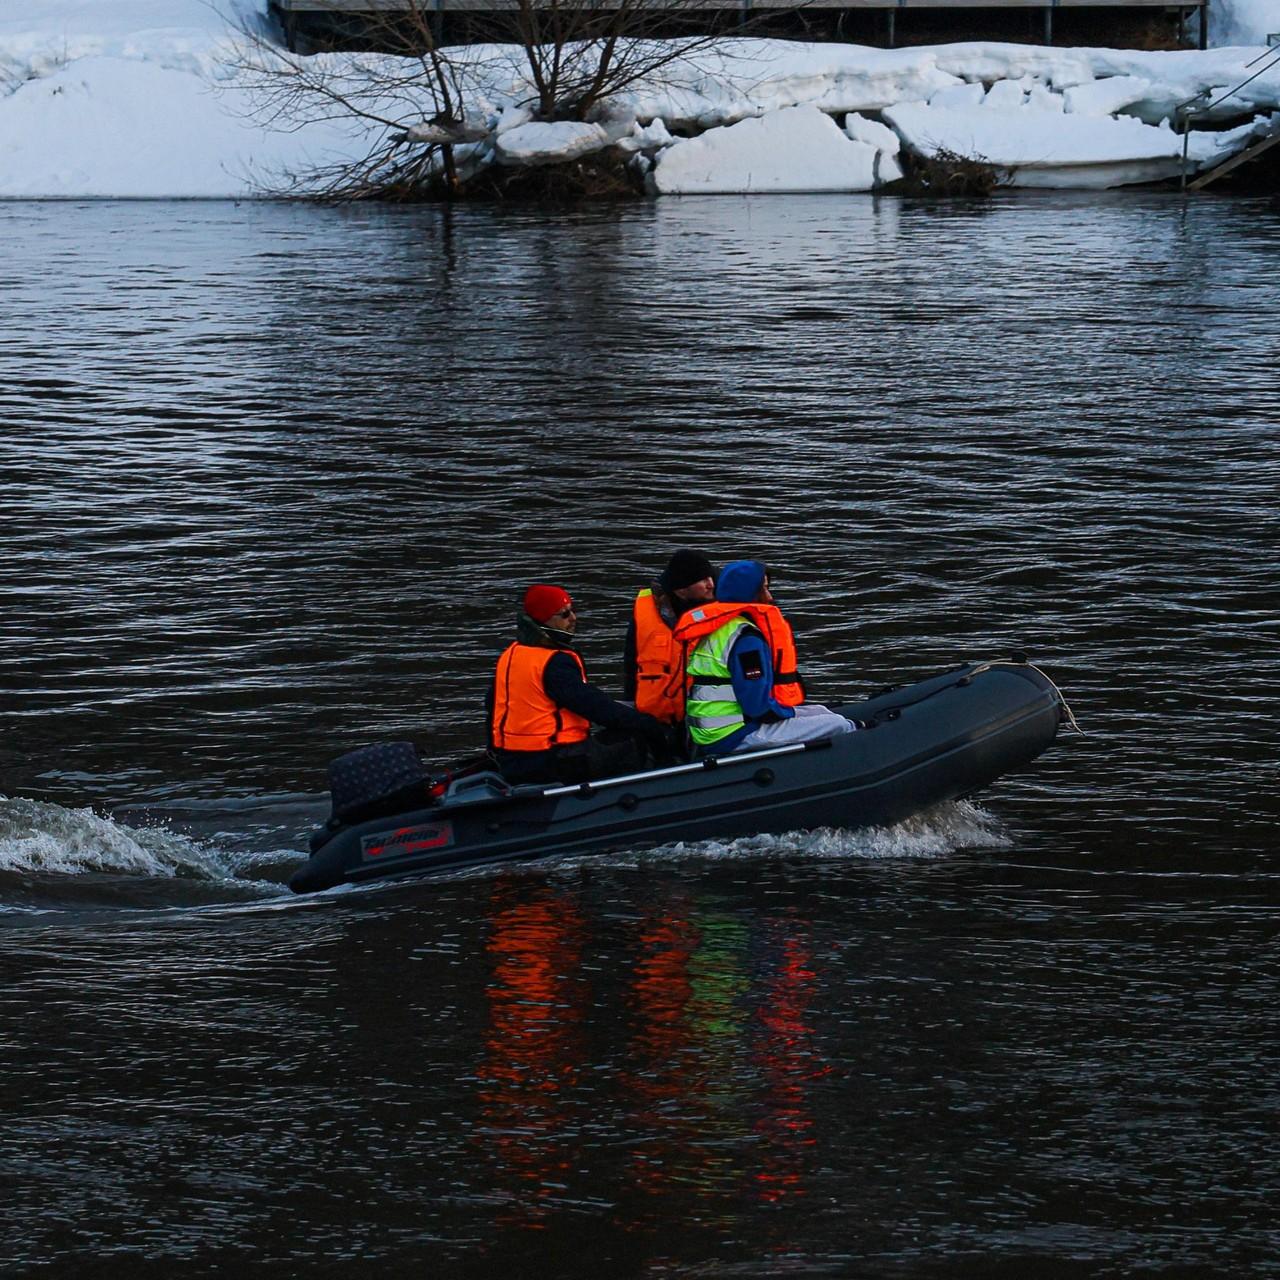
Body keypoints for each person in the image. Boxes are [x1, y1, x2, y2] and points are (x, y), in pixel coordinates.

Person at [489, 583, 673, 785]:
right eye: (564, 614)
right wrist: (648, 724)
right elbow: (596, 707)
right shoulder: (554, 662)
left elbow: (492, 707)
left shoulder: (511, 655)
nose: (573, 618)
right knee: (635, 735)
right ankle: (666, 777)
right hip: (552, 762)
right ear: (544, 620)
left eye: (572, 611)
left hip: (512, 759)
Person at [671, 560, 857, 755]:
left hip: (710, 730)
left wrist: (791, 712)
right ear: (750, 594)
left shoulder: (720, 628)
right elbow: (756, 705)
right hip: (734, 733)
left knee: (821, 712)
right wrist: (786, 713)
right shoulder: (747, 641)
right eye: (765, 590)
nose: (769, 597)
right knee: (838, 724)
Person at [621, 549, 716, 725]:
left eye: (711, 577)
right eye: (702, 580)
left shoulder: (720, 610)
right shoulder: (645, 611)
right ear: (681, 591)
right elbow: (631, 662)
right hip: (655, 716)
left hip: (702, 715)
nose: (711, 584)